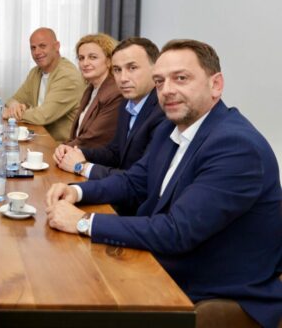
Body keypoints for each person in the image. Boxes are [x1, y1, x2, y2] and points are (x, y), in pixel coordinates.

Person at [45, 39, 282, 328]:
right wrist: (77, 191)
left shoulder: (236, 146)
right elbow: (134, 182)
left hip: (212, 287)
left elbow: (176, 231)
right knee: (63, 278)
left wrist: (83, 222)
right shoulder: (171, 126)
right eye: (160, 81)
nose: (167, 90)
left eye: (181, 78)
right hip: (166, 261)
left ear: (216, 85)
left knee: (74, 296)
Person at [53, 37, 164, 180]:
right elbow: (114, 152)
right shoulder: (127, 102)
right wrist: (76, 151)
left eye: (132, 68)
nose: (123, 78)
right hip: (117, 184)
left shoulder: (163, 112)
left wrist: (81, 166)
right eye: (117, 70)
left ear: (156, 69)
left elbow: (140, 179)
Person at [4, 27, 85, 143]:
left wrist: (11, 114)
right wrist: (14, 106)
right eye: (33, 48)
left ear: (56, 46)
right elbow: (14, 99)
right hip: (38, 139)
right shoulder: (35, 72)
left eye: (42, 46)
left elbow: (43, 116)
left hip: (61, 146)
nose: (37, 52)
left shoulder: (68, 76)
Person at [64, 33, 123, 149]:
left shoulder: (116, 93)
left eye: (93, 57)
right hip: (78, 153)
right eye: (81, 58)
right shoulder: (90, 89)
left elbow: (93, 139)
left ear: (109, 61)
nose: (85, 63)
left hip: (95, 157)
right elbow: (78, 135)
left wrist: (63, 149)